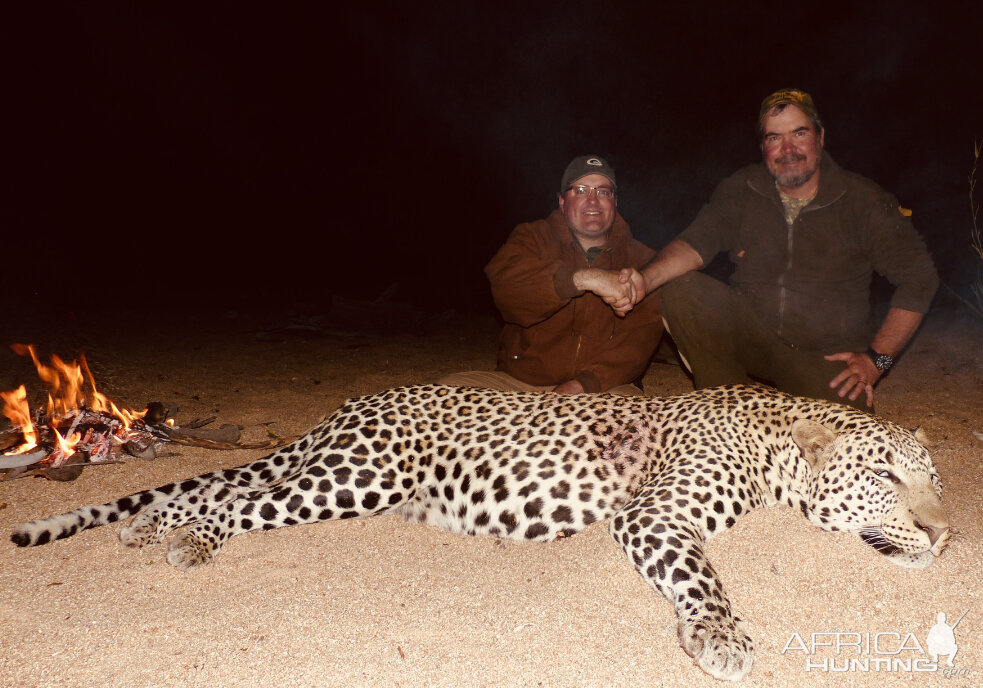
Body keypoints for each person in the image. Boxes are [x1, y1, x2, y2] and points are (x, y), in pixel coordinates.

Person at [603, 89, 938, 409]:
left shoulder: (863, 199)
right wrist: (644, 281)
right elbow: (694, 244)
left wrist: (877, 361)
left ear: (820, 139)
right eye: (774, 137)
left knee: (839, 437)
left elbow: (919, 279)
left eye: (799, 134)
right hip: (754, 337)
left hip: (824, 356)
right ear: (763, 147)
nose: (787, 148)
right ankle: (726, 406)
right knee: (684, 289)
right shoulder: (741, 188)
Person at [440, 155, 664, 394]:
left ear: (615, 202)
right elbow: (506, 289)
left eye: (603, 192)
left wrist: (583, 384)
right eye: (580, 190)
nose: (592, 200)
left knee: (627, 421)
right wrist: (583, 278)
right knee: (443, 395)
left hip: (602, 389)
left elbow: (639, 341)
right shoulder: (531, 237)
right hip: (521, 385)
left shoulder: (643, 261)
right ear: (561, 201)